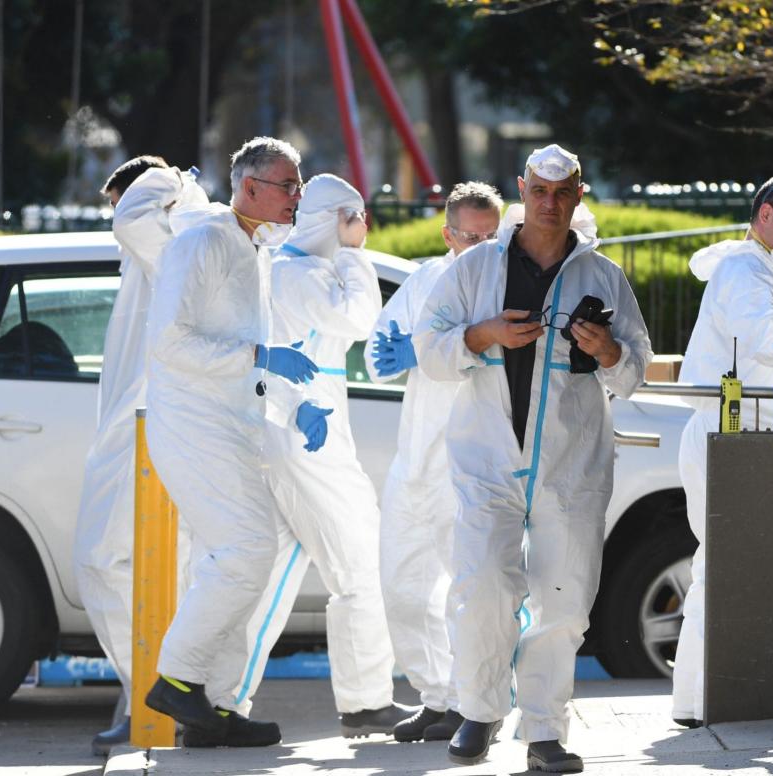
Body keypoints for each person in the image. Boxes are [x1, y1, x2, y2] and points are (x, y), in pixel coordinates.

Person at [413, 144, 652, 772]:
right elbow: (429, 350)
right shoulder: (474, 269)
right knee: (484, 585)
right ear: (521, 190)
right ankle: (480, 709)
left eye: (562, 192)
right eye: (539, 192)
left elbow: (635, 371)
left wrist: (606, 353)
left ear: (579, 195)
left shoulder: (603, 276)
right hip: (486, 458)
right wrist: (481, 334)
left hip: (573, 463)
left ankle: (544, 731)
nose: (549, 204)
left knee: (565, 597)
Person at [206, 173, 411, 741]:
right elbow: (358, 320)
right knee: (362, 565)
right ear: (338, 218)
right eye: (356, 217)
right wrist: (353, 255)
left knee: (272, 578)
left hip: (289, 429)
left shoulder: (282, 267)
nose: (363, 227)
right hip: (306, 435)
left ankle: (221, 703)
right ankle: (366, 702)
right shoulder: (301, 273)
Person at [143, 137, 317, 746]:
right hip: (194, 424)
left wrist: (282, 386)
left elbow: (244, 349)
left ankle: (209, 711)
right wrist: (258, 355)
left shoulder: (251, 245)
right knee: (247, 551)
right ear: (250, 188)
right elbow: (169, 342)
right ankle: (178, 681)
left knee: (226, 561)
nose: (298, 195)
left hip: (230, 424)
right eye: (289, 185)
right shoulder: (204, 241)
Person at [671, 172, 773, 728]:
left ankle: (704, 698)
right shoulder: (744, 269)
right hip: (730, 431)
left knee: (726, 564)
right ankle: (707, 699)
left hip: (742, 432)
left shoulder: (757, 268)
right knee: (726, 565)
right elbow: (766, 340)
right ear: (765, 213)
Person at [74, 157, 207, 756]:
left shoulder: (171, 242)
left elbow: (131, 215)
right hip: (136, 428)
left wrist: (172, 178)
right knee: (127, 569)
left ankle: (153, 698)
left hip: (152, 427)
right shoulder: (155, 250)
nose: (112, 219)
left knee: (103, 560)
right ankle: (146, 696)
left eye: (115, 204)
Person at [366, 181, 504, 744]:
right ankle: (436, 697)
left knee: (468, 589)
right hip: (416, 457)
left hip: (473, 458)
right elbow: (379, 352)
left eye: (491, 235)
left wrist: (425, 351)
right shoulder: (423, 278)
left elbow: (499, 354)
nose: (480, 246)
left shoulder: (504, 283)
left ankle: (478, 702)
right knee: (401, 585)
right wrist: (401, 353)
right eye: (470, 235)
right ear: (448, 233)